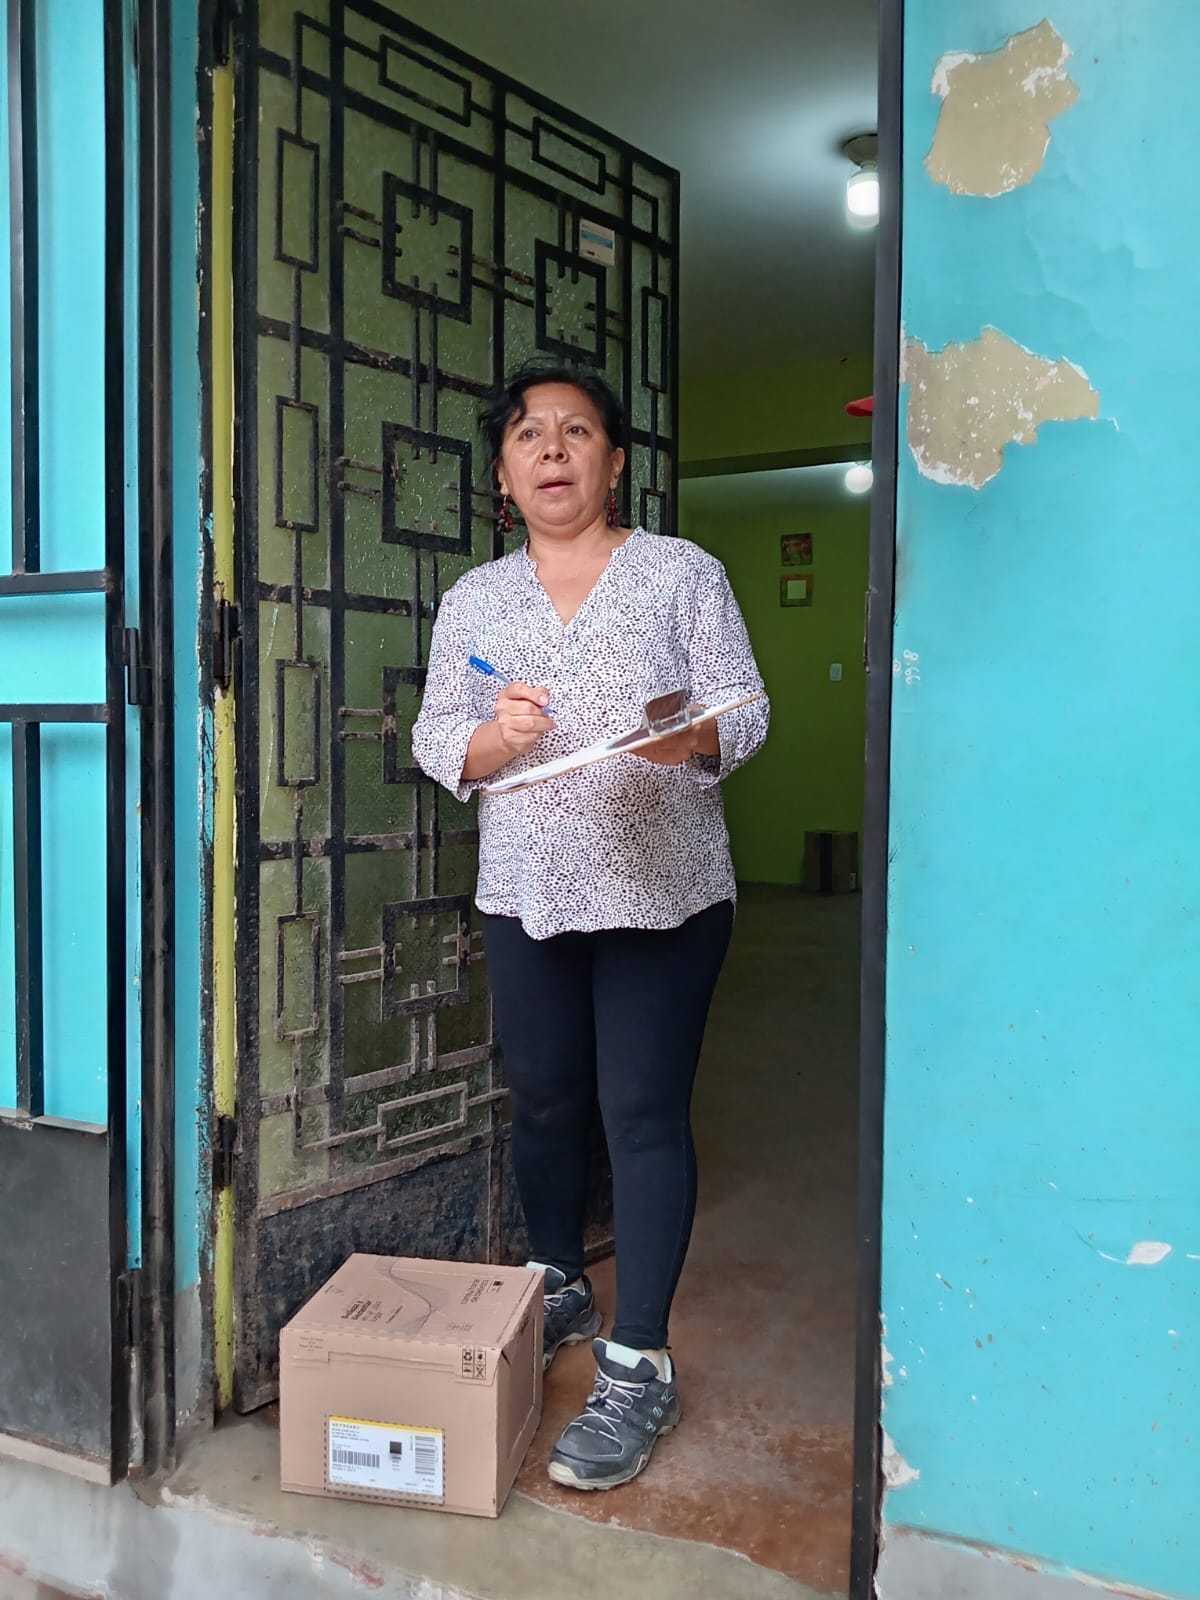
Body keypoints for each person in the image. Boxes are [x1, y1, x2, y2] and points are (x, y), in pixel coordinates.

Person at [412, 360, 769, 1491]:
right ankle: (559, 1279)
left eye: (577, 431)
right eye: (529, 435)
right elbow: (439, 738)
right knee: (548, 1099)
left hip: (663, 889)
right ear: (504, 475)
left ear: (615, 462)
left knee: (642, 1113)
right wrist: (497, 741)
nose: (553, 449)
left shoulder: (681, 573)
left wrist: (691, 740)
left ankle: (639, 1358)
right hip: (528, 890)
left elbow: (745, 706)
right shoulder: (476, 601)